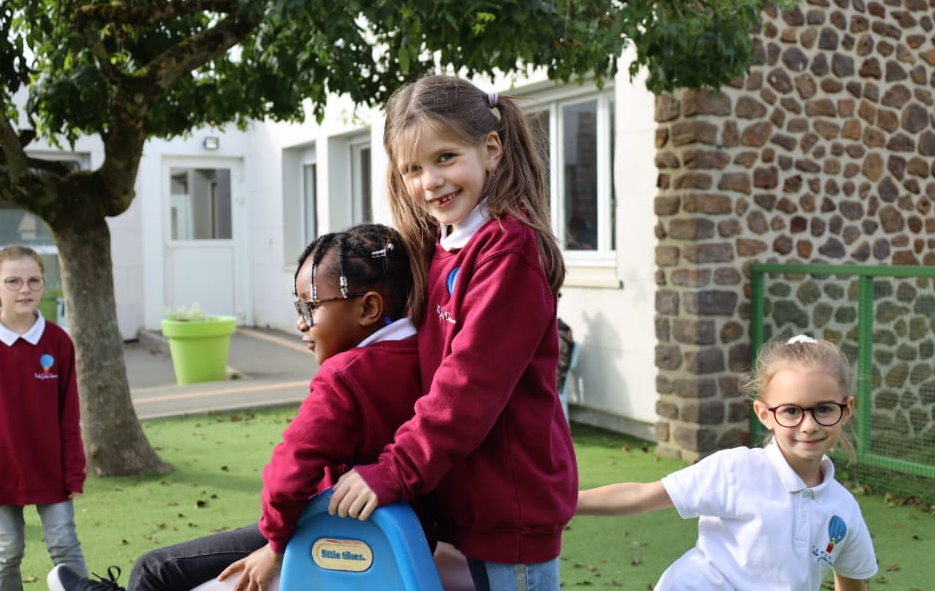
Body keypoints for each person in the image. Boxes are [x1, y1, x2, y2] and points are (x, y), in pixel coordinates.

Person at [48, 224, 432, 591]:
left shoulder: (343, 377)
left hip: (339, 532)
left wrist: (276, 544)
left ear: (367, 309)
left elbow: (287, 476)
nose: (300, 322)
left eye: (311, 307)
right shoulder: (423, 352)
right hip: (409, 529)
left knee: (153, 570)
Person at [328, 75, 577, 591]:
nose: (430, 181)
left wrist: (393, 470)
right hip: (459, 500)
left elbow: (467, 390)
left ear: (491, 151)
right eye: (413, 168)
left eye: (445, 158)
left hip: (509, 512)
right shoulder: (442, 246)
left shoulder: (508, 251)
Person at [574, 335, 878, 590]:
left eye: (823, 409)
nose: (809, 425)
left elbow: (852, 583)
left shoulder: (844, 510)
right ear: (764, 414)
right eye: (791, 411)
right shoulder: (735, 471)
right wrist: (564, 504)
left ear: (847, 408)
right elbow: (642, 495)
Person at [0, 245, 88, 591]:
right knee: (7, 550)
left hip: (51, 469)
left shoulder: (58, 342)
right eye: (12, 281)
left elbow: (68, 413)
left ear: (44, 285)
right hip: (0, 471)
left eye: (33, 280)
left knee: (64, 544)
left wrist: (74, 469)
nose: (24, 289)